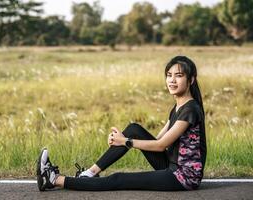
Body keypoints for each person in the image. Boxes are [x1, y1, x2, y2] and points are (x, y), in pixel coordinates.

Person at [36, 55, 207, 191]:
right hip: (171, 165)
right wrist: (123, 139)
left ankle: (54, 180)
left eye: (178, 76)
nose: (172, 81)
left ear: (191, 80)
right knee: (134, 129)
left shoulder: (190, 109)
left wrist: (125, 142)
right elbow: (157, 140)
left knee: (119, 179)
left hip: (183, 177)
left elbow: (161, 145)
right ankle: (89, 173)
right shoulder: (178, 106)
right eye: (169, 75)